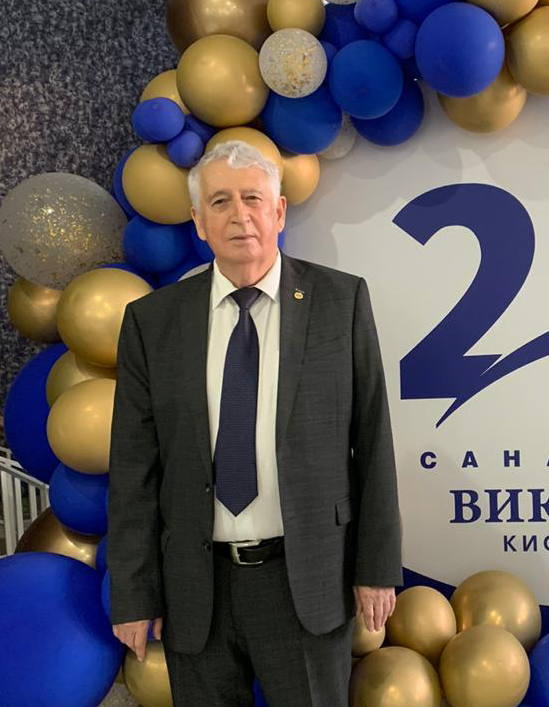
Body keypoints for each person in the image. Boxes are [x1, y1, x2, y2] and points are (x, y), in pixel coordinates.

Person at [107, 140, 402, 707]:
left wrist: (376, 567)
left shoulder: (339, 302)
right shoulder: (152, 322)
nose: (239, 215)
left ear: (279, 211)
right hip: (197, 588)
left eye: (252, 198)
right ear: (198, 222)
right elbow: (134, 469)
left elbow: (372, 440)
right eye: (220, 201)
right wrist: (134, 594)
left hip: (308, 579)